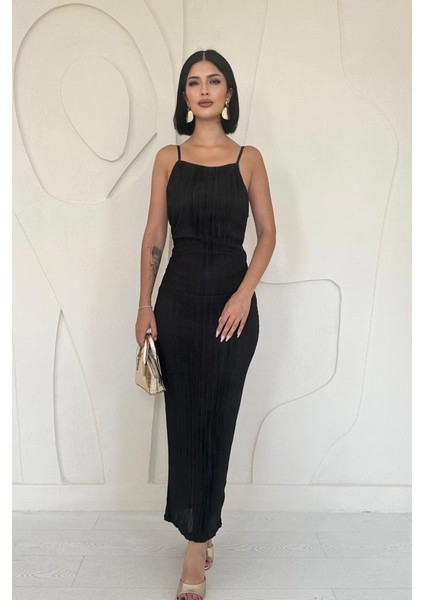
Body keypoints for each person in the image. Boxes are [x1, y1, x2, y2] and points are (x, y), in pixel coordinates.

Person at [135, 49, 276, 600]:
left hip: (232, 311)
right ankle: (199, 532)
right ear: (185, 97)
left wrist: (243, 295)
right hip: (178, 306)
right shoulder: (168, 158)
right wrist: (144, 305)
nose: (204, 90)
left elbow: (267, 235)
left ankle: (197, 542)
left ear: (229, 93)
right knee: (186, 423)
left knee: (218, 421)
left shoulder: (249, 158)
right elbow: (155, 235)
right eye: (194, 82)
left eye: (214, 81)